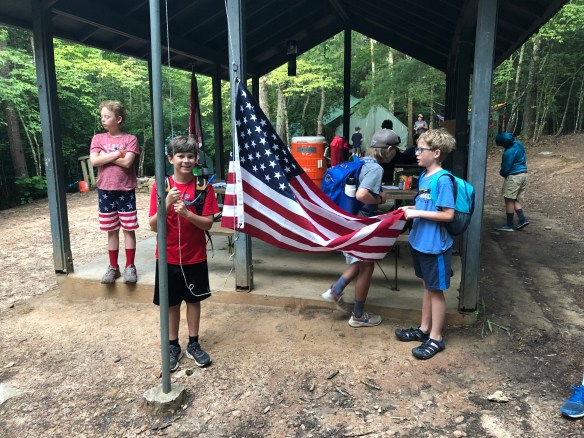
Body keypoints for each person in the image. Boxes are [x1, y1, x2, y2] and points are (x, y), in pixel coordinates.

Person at [149, 135, 219, 372]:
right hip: (167, 257)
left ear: (196, 159)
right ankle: (172, 346)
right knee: (171, 303)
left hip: (194, 256)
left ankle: (193, 343)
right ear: (170, 159)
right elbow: (153, 225)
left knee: (193, 300)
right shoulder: (161, 186)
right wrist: (167, 203)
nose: (186, 161)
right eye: (180, 156)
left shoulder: (204, 187)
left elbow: (208, 223)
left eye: (190, 156)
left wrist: (188, 214)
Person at [321, 129, 399, 327]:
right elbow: (362, 195)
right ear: (389, 149)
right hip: (361, 221)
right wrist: (381, 198)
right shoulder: (376, 169)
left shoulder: (359, 161)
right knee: (367, 265)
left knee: (361, 262)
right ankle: (357, 316)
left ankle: (336, 291)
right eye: (395, 150)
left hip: (349, 219)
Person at [394, 129, 456, 360]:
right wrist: (409, 208)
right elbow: (426, 206)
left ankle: (436, 338)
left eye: (421, 149)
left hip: (435, 245)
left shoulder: (443, 180)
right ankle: (424, 328)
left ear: (436, 153)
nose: (416, 153)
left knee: (435, 290)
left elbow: (448, 214)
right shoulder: (424, 176)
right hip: (420, 241)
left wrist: (416, 213)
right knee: (428, 287)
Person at [90, 100, 141, 284]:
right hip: (105, 190)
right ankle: (113, 267)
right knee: (111, 230)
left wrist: (105, 156)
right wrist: (118, 154)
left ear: (118, 119)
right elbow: (94, 161)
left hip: (125, 190)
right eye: (102, 116)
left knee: (128, 229)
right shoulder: (98, 139)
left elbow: (128, 163)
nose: (103, 119)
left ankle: (130, 266)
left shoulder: (130, 139)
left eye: (107, 116)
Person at [494, 132, 529, 232]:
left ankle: (510, 224)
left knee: (509, 199)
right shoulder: (518, 144)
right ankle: (522, 219)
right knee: (513, 198)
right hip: (524, 174)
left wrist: (502, 173)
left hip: (514, 176)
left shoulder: (508, 153)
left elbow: (506, 168)